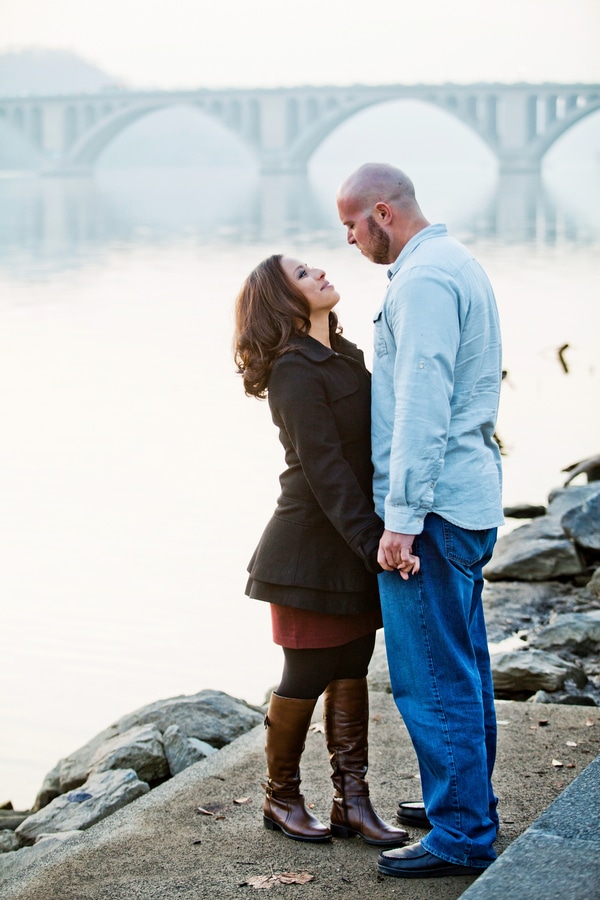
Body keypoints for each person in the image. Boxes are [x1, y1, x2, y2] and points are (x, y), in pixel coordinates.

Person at [336, 164, 504, 879]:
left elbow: (422, 403)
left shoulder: (424, 280)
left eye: (351, 224)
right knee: (462, 665)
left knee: (430, 676)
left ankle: (462, 833)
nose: (348, 240)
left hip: (432, 513)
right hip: (463, 497)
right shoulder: (449, 262)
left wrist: (400, 522)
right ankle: (464, 803)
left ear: (382, 212)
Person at [233, 254, 408, 848]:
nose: (321, 272)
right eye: (304, 274)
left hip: (354, 540)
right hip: (307, 549)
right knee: (306, 672)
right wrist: (373, 543)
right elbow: (325, 468)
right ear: (283, 300)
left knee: (353, 665)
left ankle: (351, 802)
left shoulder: (344, 355)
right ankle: (280, 796)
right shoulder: (293, 369)